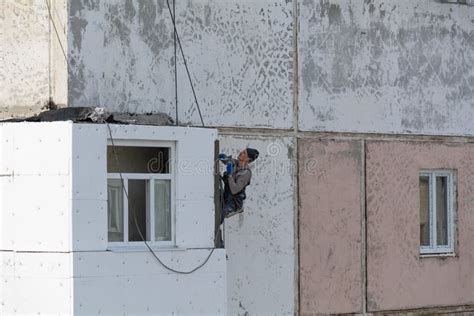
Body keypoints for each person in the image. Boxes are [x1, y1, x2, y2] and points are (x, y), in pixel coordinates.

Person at [219, 148, 259, 221]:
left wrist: (230, 175)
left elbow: (234, 190)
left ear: (247, 159)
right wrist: (224, 158)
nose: (241, 152)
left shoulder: (246, 173)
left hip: (233, 203)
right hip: (226, 197)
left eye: (244, 153)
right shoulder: (236, 163)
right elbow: (229, 161)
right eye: (242, 151)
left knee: (219, 216)